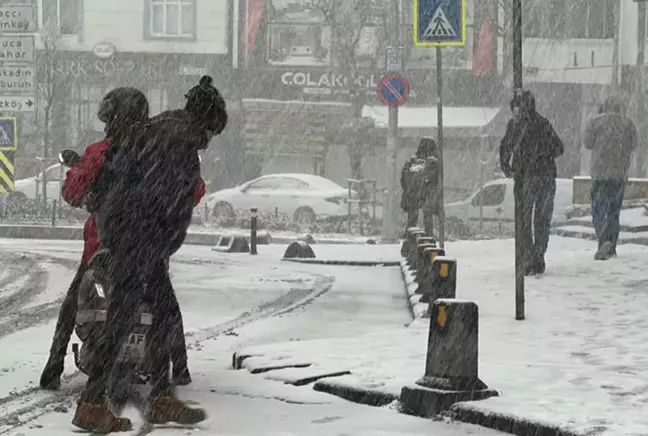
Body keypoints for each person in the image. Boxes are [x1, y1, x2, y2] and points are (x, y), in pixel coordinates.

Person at [72, 75, 227, 433]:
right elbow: (173, 206)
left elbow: (124, 179)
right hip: (139, 239)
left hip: (127, 233)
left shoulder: (158, 129)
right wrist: (162, 244)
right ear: (209, 124)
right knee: (126, 320)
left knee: (162, 314)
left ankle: (158, 397)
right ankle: (95, 403)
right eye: (214, 134)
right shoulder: (182, 145)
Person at [39, 88, 202, 391]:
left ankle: (54, 364)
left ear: (114, 117)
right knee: (165, 305)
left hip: (103, 246)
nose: (105, 125)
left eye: (108, 118)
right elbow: (195, 189)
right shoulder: (161, 147)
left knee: (74, 300)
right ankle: (179, 368)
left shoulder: (101, 151)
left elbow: (73, 191)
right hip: (152, 247)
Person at [500, 90, 564, 275]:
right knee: (542, 220)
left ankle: (529, 257)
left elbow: (505, 149)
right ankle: (538, 255)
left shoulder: (515, 126)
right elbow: (559, 148)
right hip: (545, 177)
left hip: (525, 177)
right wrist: (544, 153)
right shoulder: (544, 124)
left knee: (524, 220)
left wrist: (507, 166)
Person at [584, 96, 637, 260]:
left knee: (599, 208)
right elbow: (633, 144)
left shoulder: (595, 122)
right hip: (618, 174)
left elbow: (588, 143)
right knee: (614, 210)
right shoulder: (627, 123)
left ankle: (603, 238)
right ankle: (611, 245)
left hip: (600, 174)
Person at [400, 138, 441, 236]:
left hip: (411, 195)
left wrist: (410, 189)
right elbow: (436, 181)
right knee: (428, 219)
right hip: (426, 196)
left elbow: (402, 181)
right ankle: (429, 238)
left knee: (412, 220)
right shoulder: (433, 163)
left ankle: (410, 240)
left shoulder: (410, 162)